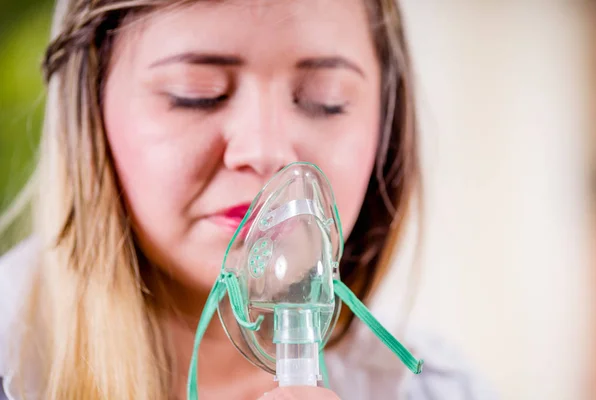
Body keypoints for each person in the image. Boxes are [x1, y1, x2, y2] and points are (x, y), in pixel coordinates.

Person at [0, 0, 496, 399]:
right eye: (197, 93)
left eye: (326, 99)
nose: (267, 152)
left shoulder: (441, 389)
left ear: (385, 126)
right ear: (90, 111)